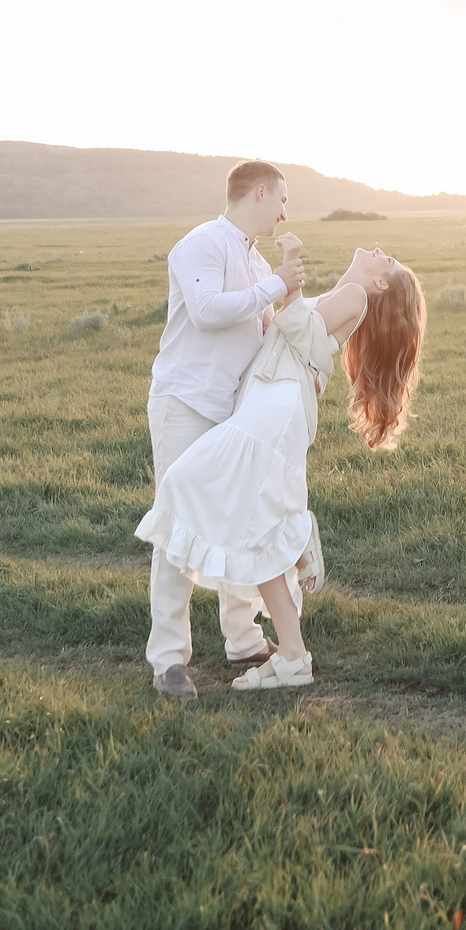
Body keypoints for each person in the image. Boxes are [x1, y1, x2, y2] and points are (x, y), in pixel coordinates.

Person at [135, 242, 425, 691]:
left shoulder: (356, 296)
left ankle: (292, 634)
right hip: (271, 404)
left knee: (200, 488)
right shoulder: (345, 295)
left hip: (274, 410)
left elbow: (299, 327)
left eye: (386, 259)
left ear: (381, 282)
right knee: (249, 515)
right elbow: (296, 334)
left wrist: (289, 280)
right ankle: (291, 648)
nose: (379, 250)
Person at [141, 161, 308, 698]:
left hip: (232, 413)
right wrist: (278, 285)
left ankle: (242, 639)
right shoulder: (203, 243)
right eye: (282, 199)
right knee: (178, 528)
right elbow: (209, 311)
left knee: (240, 522)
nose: (285, 211)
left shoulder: (257, 260)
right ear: (260, 192)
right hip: (184, 403)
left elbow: (259, 334)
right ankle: (168, 661)